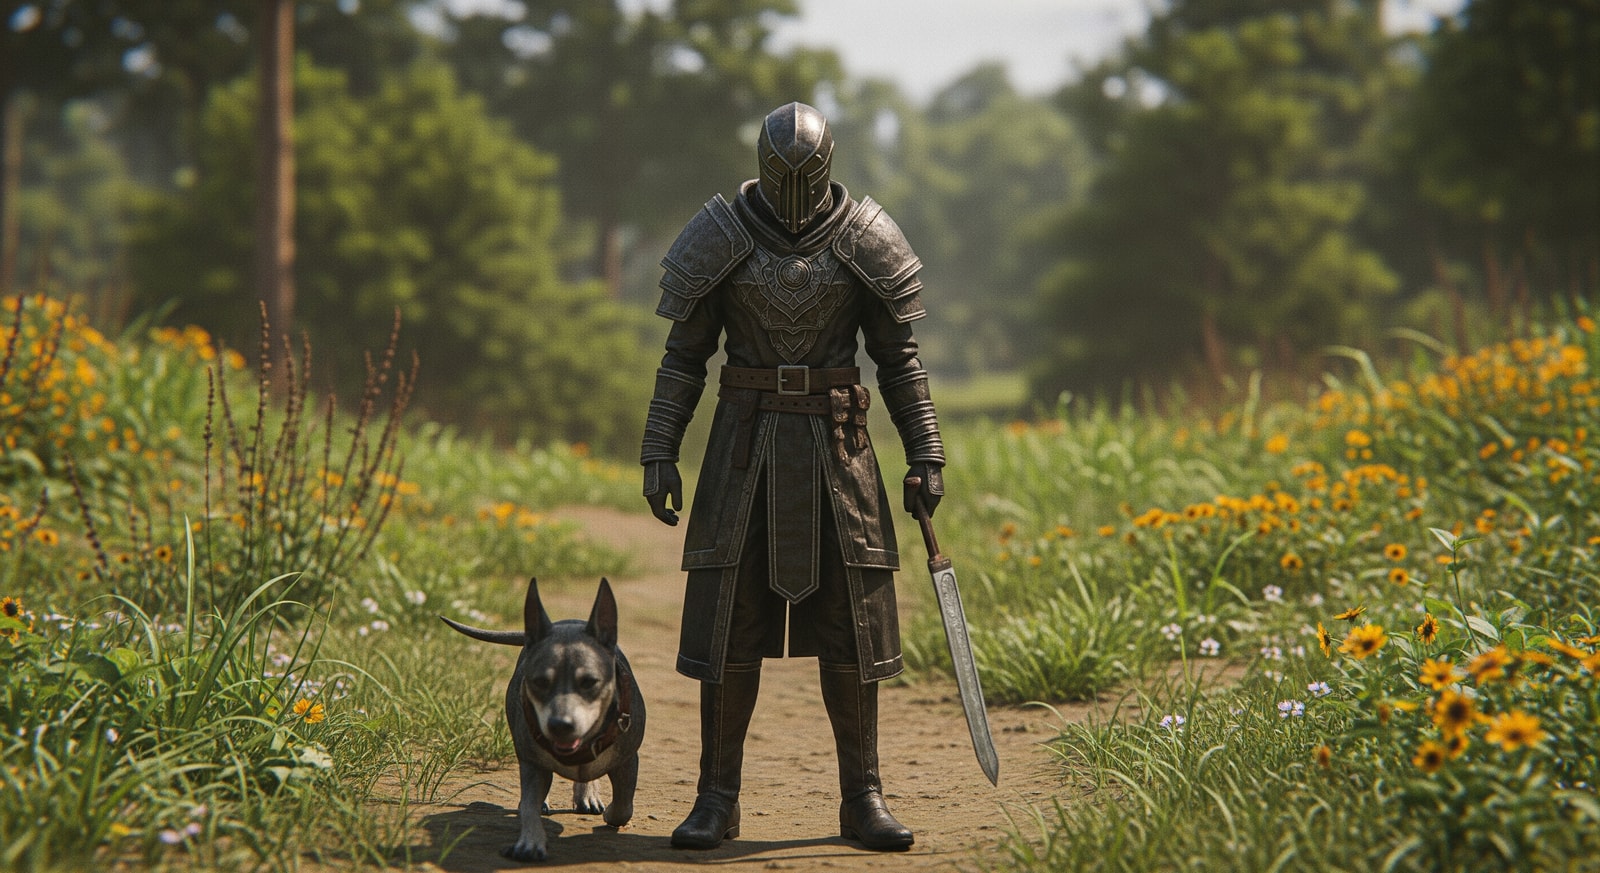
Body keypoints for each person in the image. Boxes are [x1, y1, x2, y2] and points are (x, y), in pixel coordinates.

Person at [640, 101, 945, 852]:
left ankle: (862, 796)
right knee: (728, 623)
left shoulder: (865, 239)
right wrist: (659, 447)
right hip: (742, 449)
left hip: (839, 452)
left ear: (830, 164)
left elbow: (898, 358)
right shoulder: (721, 236)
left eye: (807, 173)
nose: (796, 186)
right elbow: (686, 356)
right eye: (784, 173)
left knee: (854, 626)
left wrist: (926, 449)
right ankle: (717, 797)